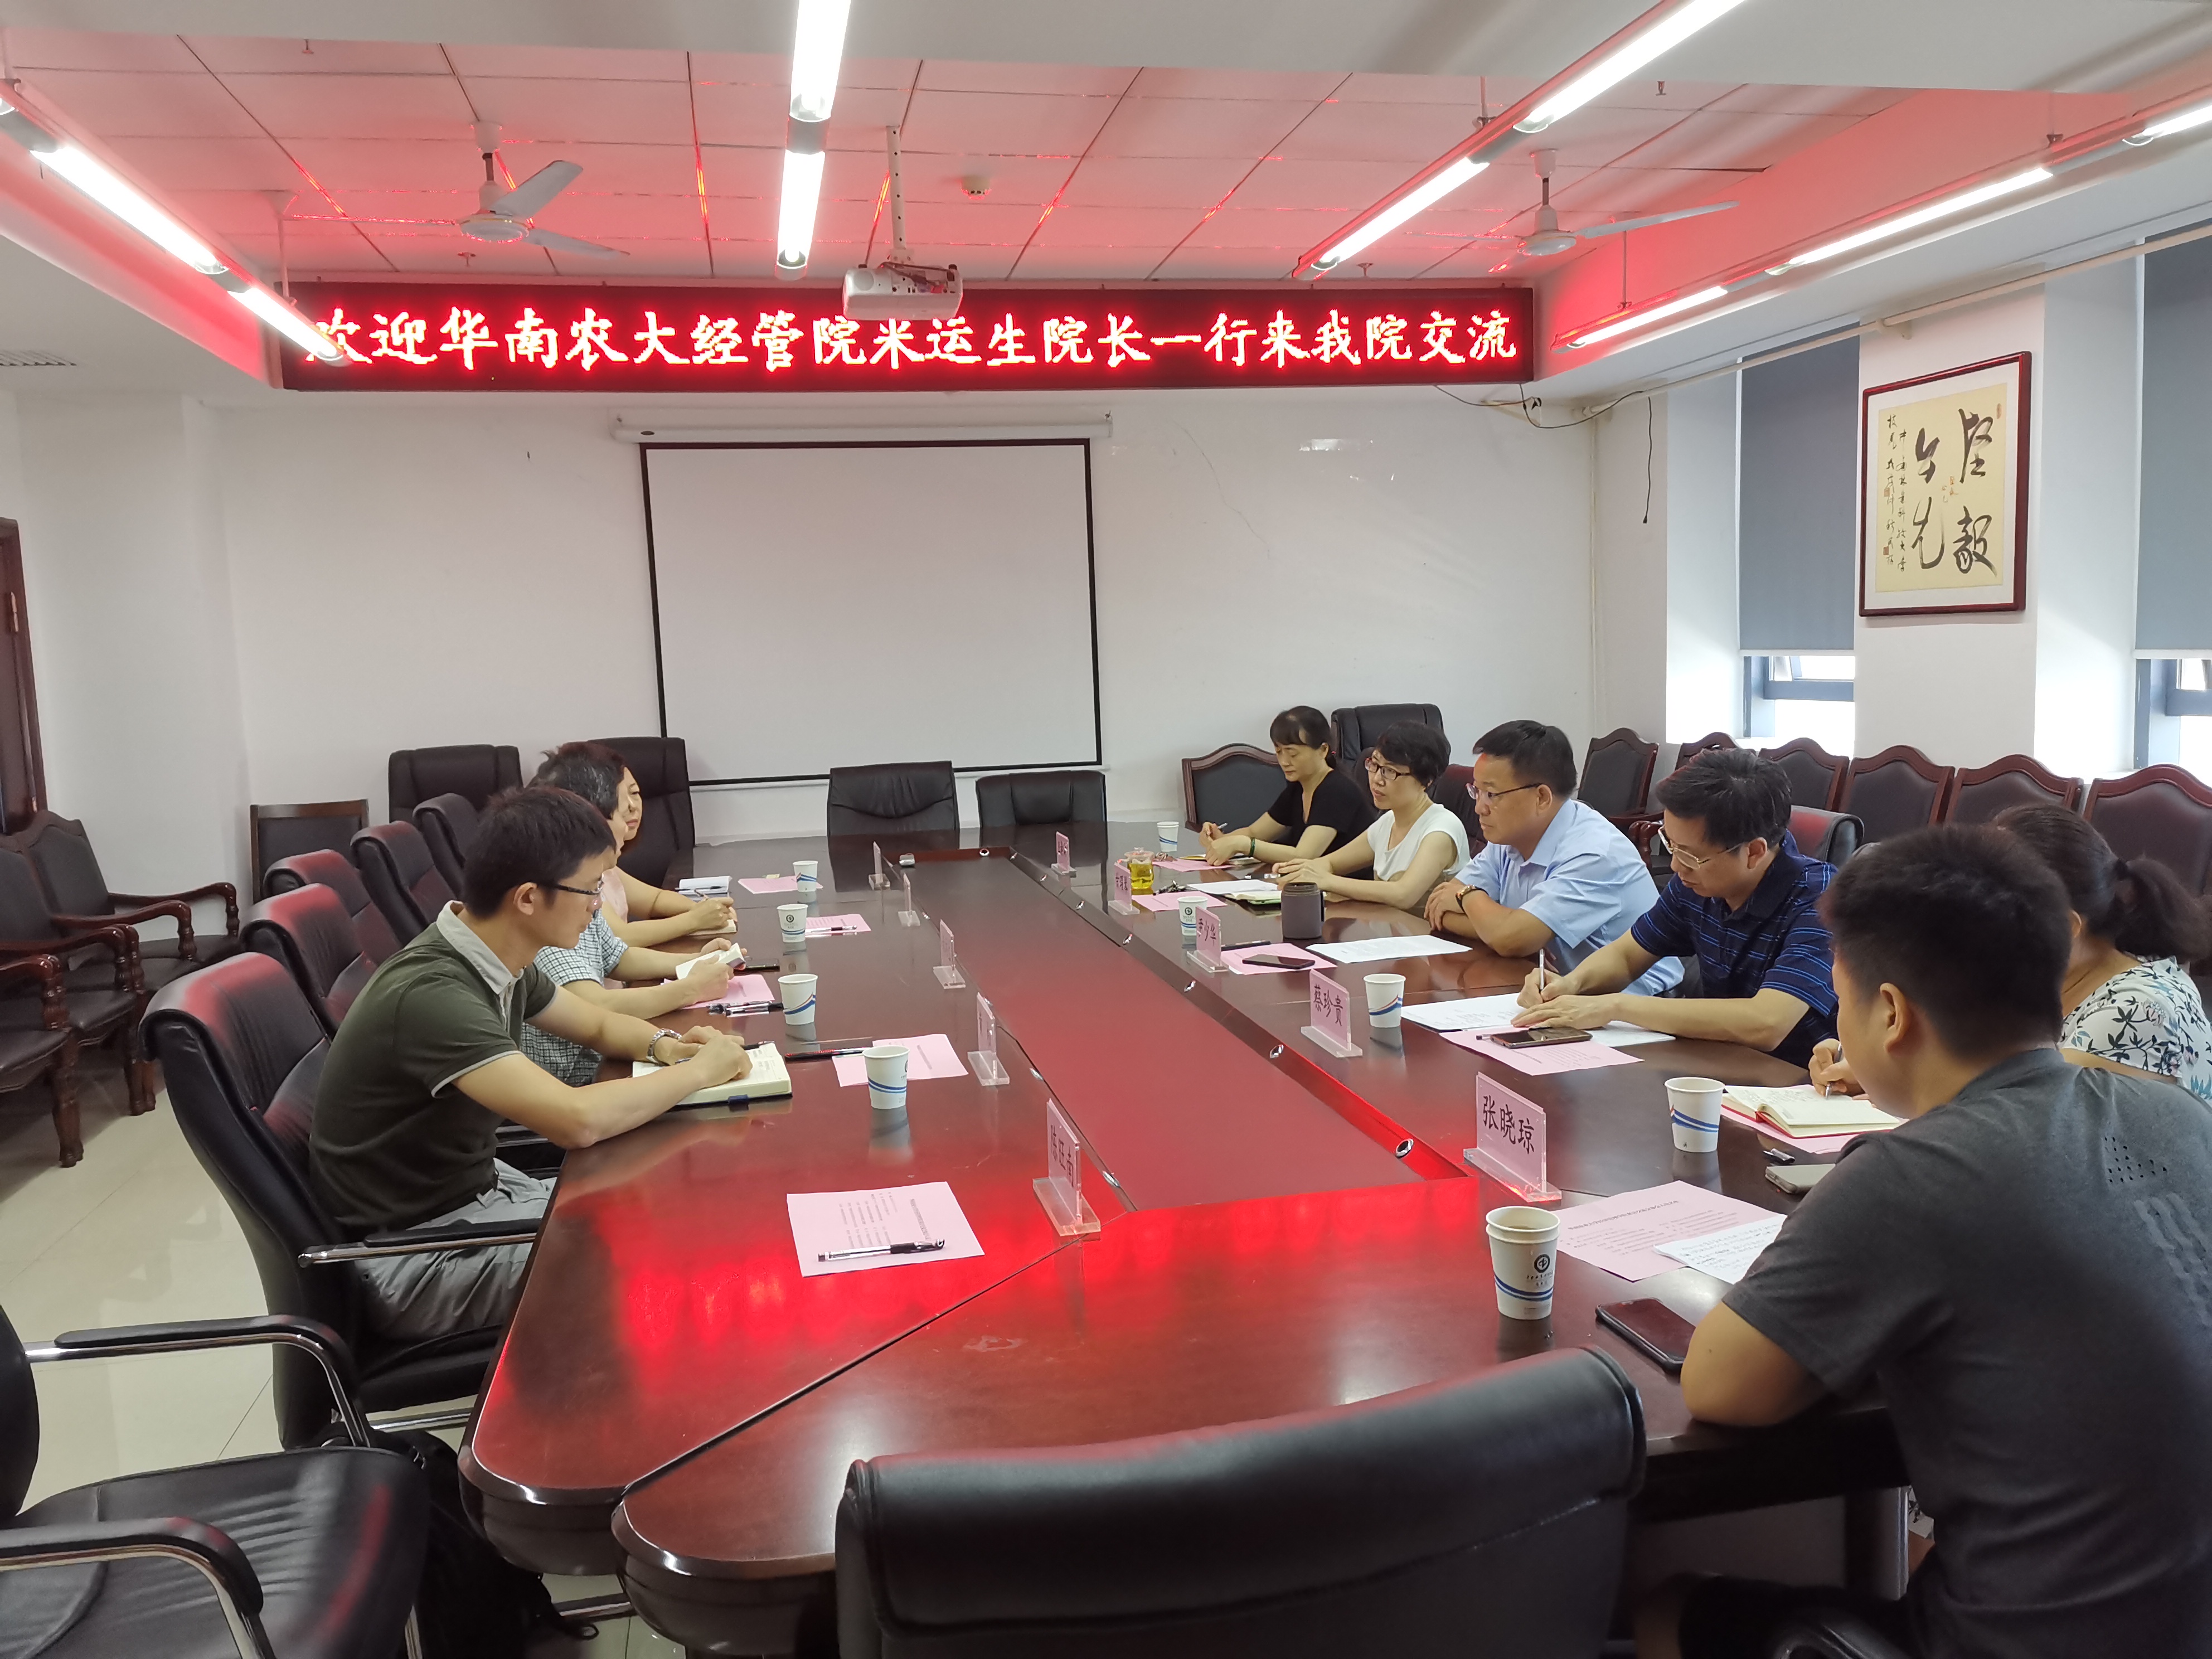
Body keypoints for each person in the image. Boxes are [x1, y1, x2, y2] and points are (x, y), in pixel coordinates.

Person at [1648, 827, 2212, 1659]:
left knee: (1666, 1608)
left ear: (1890, 1013)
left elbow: (1722, 1386)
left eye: (1841, 996)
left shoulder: (1911, 1173)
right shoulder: (2177, 1113)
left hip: (2024, 1641)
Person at [311, 786, 752, 1340]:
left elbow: (596, 1024)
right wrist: (699, 1073)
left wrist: (667, 1046)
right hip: (414, 1253)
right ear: (527, 898)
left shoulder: (497, 956)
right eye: (590, 889)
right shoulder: (434, 993)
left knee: (652, 1204)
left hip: (480, 1199)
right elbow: (574, 1120)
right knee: (632, 1249)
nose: (599, 907)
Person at [1513, 748, 1834, 1064]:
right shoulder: (1697, 881)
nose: (1677, 866)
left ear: (1754, 852)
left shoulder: (1822, 900)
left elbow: (1767, 1022)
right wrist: (1571, 985)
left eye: (1691, 855)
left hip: (1800, 1079)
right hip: (1720, 1060)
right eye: (1671, 845)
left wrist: (1616, 1006)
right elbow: (1627, 956)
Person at [523, 748, 743, 1084]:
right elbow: (596, 1009)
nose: (632, 810)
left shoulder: (578, 885)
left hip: (602, 1060)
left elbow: (617, 956)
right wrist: (689, 989)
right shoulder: (548, 912)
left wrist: (693, 963)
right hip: (581, 1078)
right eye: (622, 800)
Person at [1422, 720, 1680, 995]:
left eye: (1491, 794)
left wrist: (1468, 897)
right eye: (1477, 791)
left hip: (1638, 1001)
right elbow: (1439, 911)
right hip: (1554, 989)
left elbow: (1507, 936)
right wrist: (1510, 936)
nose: (1479, 808)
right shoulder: (1508, 838)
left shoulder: (1594, 852)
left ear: (1542, 798)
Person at [538, 741, 737, 948]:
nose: (632, 807)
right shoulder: (575, 877)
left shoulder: (608, 869)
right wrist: (695, 920)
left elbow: (654, 900)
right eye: (619, 799)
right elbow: (619, 938)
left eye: (634, 793)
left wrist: (704, 908)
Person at [1270, 720, 1468, 911]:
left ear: (1426, 781)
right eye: (1374, 765)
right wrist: (1296, 869)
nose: (1377, 780)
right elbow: (1330, 863)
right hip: (1388, 928)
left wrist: (1327, 881)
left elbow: (1403, 895)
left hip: (1430, 933)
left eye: (1390, 771)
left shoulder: (1441, 829)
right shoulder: (1388, 821)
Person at [1198, 706, 1373, 866]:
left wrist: (1243, 845)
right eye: (1279, 752)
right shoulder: (1298, 787)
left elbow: (1305, 855)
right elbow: (1254, 832)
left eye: (1293, 754)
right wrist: (1221, 839)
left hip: (1352, 886)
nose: (1284, 762)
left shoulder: (1337, 790)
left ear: (1323, 750)